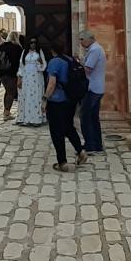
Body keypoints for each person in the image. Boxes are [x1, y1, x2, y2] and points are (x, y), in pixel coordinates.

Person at [42, 41, 88, 172]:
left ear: (52, 50)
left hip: (57, 101)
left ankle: (62, 162)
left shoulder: (54, 62)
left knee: (56, 132)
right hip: (70, 100)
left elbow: (52, 83)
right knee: (68, 127)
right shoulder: (70, 59)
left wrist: (45, 99)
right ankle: (80, 151)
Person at [78, 29, 106, 154]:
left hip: (92, 88)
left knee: (85, 116)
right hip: (97, 87)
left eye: (82, 39)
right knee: (93, 117)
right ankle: (97, 145)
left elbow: (88, 69)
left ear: (89, 38)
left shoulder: (94, 50)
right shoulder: (96, 49)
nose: (81, 42)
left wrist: (77, 66)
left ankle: (90, 145)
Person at [17, 36, 47, 126]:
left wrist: (40, 62)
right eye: (31, 43)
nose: (33, 44)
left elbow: (44, 65)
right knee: (26, 96)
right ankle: (25, 118)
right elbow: (21, 65)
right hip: (26, 77)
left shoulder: (39, 52)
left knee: (36, 97)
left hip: (37, 78)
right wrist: (19, 78)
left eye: (34, 42)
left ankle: (36, 119)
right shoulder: (24, 52)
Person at [0, 31, 24, 121]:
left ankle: (6, 111)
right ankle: (6, 113)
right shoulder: (17, 47)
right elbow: (21, 61)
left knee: (7, 91)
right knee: (11, 92)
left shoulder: (2, 46)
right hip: (12, 73)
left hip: (1, 73)